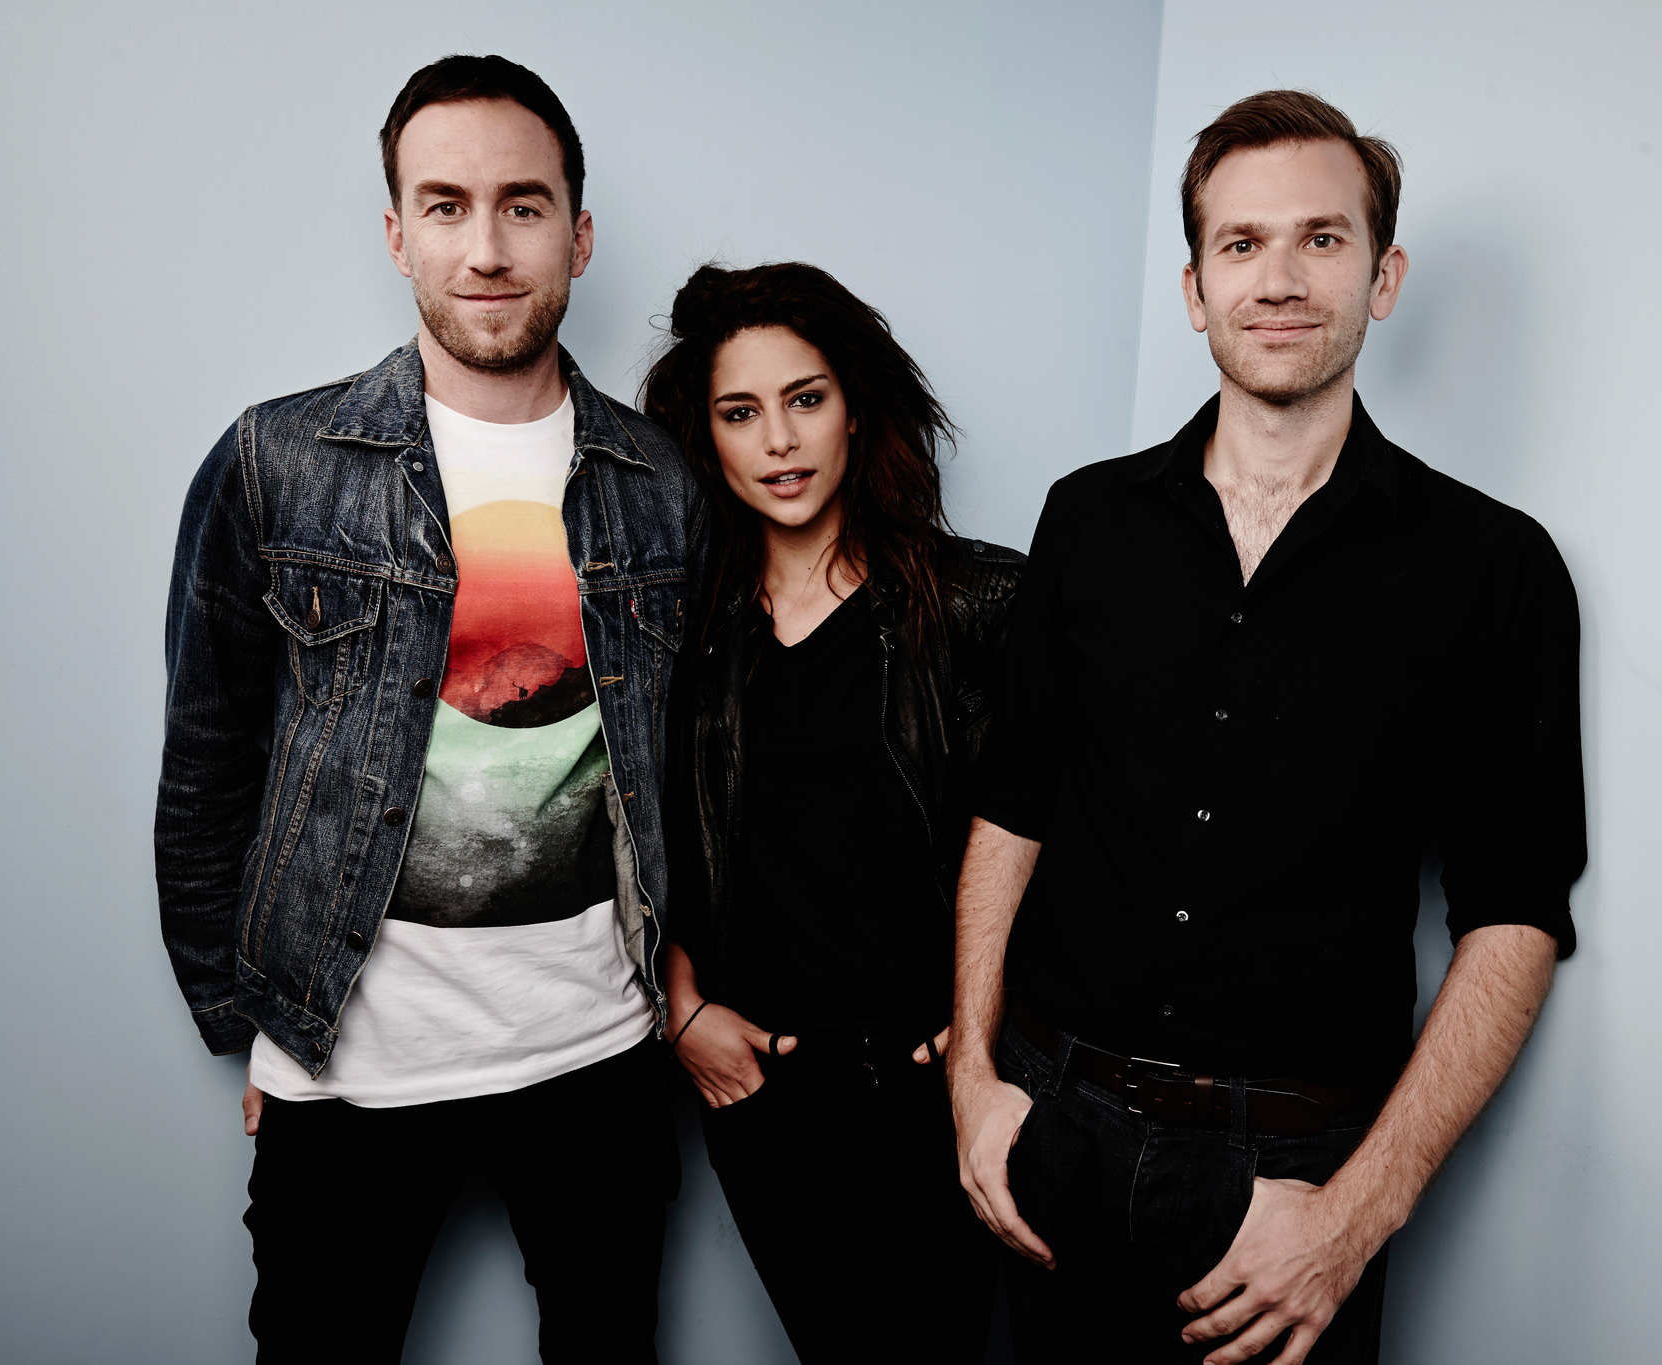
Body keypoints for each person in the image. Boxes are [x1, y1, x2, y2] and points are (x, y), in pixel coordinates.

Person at [948, 89, 1587, 1365]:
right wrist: (972, 1084)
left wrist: (1358, 1215)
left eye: (1320, 238)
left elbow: (1513, 915)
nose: (1279, 279)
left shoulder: (1492, 568)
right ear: (1193, 288)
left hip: (1288, 1185)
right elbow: (1010, 809)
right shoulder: (1086, 523)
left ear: (1382, 273)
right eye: (1239, 245)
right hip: (1049, 1125)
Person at [154, 54, 703, 1364]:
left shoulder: (665, 481)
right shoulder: (276, 461)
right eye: (446, 206)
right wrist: (253, 1017)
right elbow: (208, 759)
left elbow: (700, 758)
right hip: (350, 1069)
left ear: (578, 232)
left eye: (523, 205)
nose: (488, 246)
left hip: (601, 1056)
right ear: (397, 233)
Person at [644, 262, 1018, 1365]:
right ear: (704, 437)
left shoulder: (983, 605)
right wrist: (678, 1007)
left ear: (854, 406)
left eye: (804, 399)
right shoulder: (676, 630)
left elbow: (1065, 836)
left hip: (935, 1088)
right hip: (767, 1093)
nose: (778, 441)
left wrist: (992, 1030)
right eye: (739, 412)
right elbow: (614, 819)